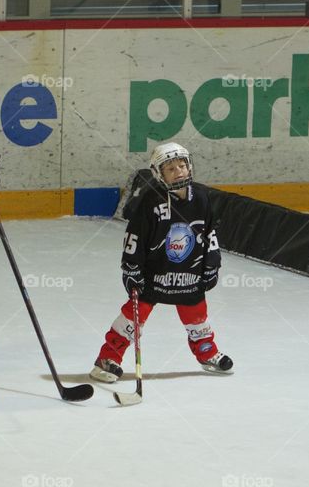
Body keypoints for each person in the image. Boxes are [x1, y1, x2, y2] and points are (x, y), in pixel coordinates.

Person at [91, 142, 232, 382]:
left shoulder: (201, 197)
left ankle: (206, 352)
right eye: (170, 169)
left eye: (182, 165)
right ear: (159, 174)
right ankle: (108, 358)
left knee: (197, 315)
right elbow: (134, 237)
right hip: (154, 273)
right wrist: (132, 268)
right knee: (133, 317)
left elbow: (209, 234)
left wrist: (212, 263)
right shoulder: (151, 201)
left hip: (189, 271)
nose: (179, 171)